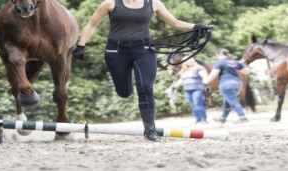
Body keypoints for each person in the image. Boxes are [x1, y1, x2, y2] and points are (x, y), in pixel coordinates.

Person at [71, 0, 210, 141]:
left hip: (143, 49)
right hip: (116, 50)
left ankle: (150, 130)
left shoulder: (153, 3)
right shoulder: (110, 3)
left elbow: (174, 23)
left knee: (145, 87)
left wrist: (196, 27)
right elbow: (92, 24)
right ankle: (126, 89)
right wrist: (81, 45)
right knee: (123, 92)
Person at [203, 49, 250, 124]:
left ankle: (243, 117)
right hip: (238, 84)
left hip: (226, 84)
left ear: (219, 54)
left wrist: (205, 82)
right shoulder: (236, 62)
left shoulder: (219, 62)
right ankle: (223, 118)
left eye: (217, 56)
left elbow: (214, 74)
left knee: (233, 101)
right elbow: (247, 71)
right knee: (228, 101)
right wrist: (244, 64)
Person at [169, 58, 209, 124]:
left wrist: (205, 84)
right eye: (187, 61)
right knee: (193, 104)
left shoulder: (199, 68)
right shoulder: (184, 70)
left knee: (198, 103)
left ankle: (203, 119)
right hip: (187, 89)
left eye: (190, 60)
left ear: (194, 61)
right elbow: (181, 80)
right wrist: (174, 87)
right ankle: (198, 119)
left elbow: (205, 77)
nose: (189, 62)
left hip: (197, 88)